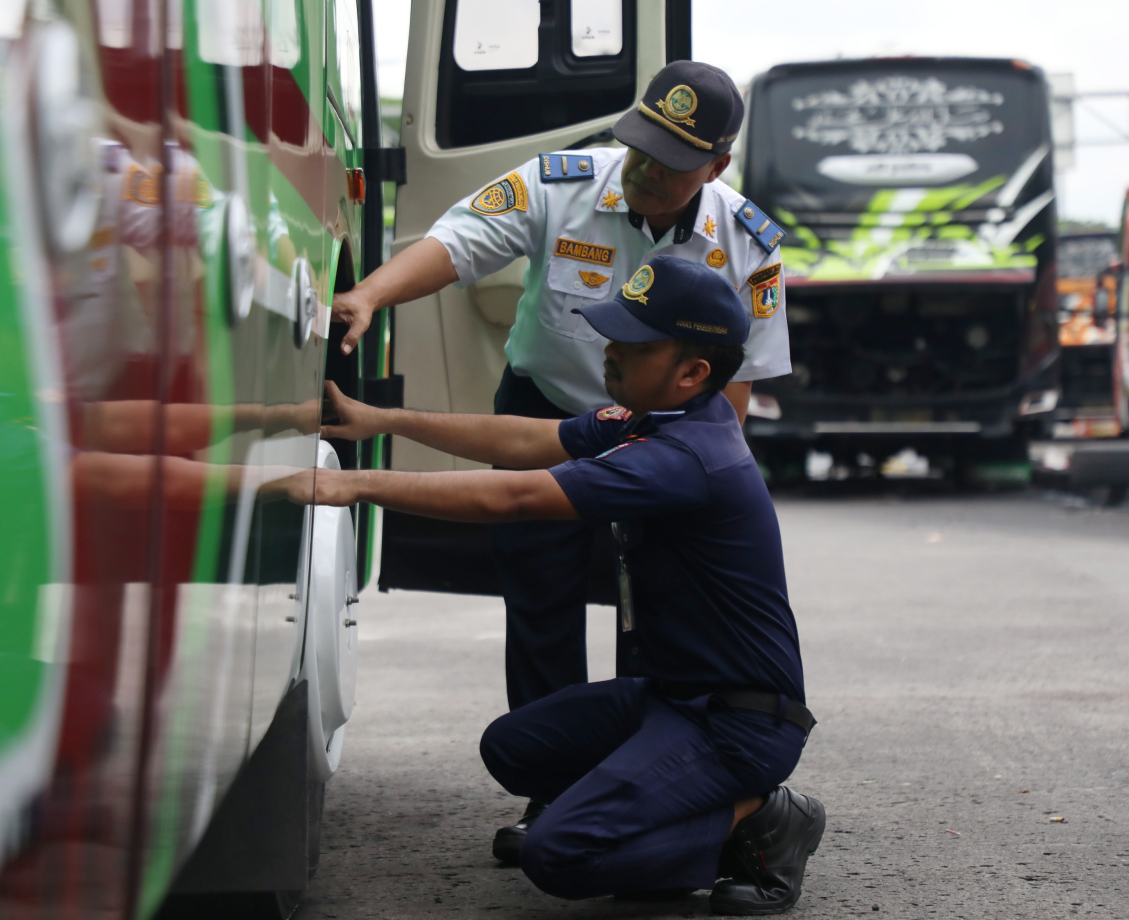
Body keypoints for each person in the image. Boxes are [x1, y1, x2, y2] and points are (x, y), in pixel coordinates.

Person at [331, 59, 791, 854]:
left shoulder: (748, 241)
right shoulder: (562, 182)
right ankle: (557, 792)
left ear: (716, 167)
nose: (645, 171)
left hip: (663, 438)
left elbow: (732, 388)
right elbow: (458, 241)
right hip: (551, 408)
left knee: (654, 611)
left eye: (672, 163)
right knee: (541, 603)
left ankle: (647, 781)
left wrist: (700, 487)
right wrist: (371, 294)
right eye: (640, 147)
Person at [277, 257, 822, 914]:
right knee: (513, 748)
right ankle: (669, 814)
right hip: (676, 699)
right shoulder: (657, 420)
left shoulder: (684, 460)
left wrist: (357, 486)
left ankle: (759, 821)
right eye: (615, 333)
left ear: (693, 372)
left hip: (737, 724)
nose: (612, 350)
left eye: (635, 343)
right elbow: (523, 439)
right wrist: (384, 421)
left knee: (558, 854)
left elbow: (513, 496)